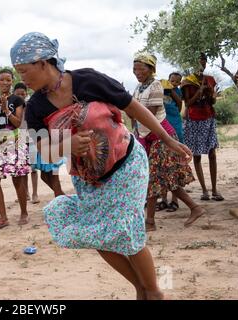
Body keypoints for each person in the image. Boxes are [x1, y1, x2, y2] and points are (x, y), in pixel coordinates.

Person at [11, 32, 194, 300]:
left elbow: (133, 108)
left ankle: (154, 292)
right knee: (98, 235)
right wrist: (67, 145)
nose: (23, 79)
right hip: (89, 179)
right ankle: (139, 287)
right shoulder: (36, 106)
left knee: (125, 227)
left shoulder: (88, 80)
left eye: (24, 71)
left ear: (43, 62)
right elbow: (43, 150)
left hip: (127, 164)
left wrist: (168, 139)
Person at [132, 53, 205, 232]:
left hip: (160, 137)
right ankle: (194, 208)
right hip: (147, 136)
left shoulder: (156, 85)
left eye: (141, 69)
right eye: (134, 69)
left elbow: (147, 113)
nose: (137, 72)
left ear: (151, 69)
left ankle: (151, 221)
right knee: (160, 178)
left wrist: (132, 112)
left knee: (157, 178)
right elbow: (134, 114)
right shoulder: (138, 88)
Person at [0, 70, 31, 230]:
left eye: (8, 80)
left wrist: (6, 109)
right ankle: (3, 218)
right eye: (2, 80)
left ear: (12, 82)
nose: (5, 82)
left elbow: (18, 123)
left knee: (17, 179)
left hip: (14, 143)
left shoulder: (17, 100)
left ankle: (24, 213)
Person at [182, 53, 224, 202]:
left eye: (204, 62)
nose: (202, 65)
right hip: (193, 120)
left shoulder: (210, 80)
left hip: (208, 118)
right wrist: (199, 91)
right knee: (197, 155)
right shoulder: (188, 81)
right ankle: (204, 191)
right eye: (199, 62)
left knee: (212, 153)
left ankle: (214, 189)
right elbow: (187, 103)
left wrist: (211, 94)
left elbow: (212, 102)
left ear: (206, 63)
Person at [157, 73, 185, 212]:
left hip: (175, 127)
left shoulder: (177, 92)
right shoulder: (160, 91)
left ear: (179, 83)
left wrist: (172, 91)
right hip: (162, 127)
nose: (173, 82)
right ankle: (163, 199)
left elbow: (180, 105)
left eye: (176, 81)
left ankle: (175, 201)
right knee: (162, 164)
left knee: (174, 164)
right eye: (171, 80)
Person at [14, 82, 40, 204]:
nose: (20, 96)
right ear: (14, 94)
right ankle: (26, 193)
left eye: (22, 94)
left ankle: (35, 194)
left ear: (26, 94)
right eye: (18, 94)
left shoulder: (31, 104)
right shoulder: (11, 106)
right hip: (19, 139)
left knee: (33, 169)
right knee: (22, 170)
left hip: (32, 139)